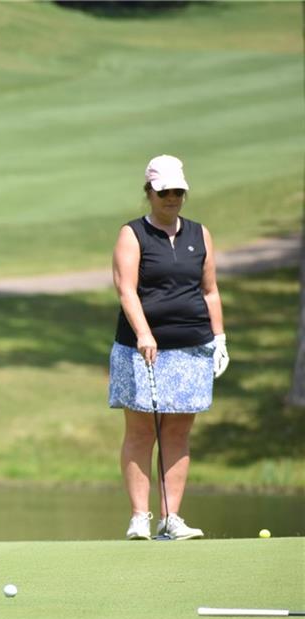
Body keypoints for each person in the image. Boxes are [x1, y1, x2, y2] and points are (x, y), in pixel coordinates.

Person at [110, 154, 229, 541]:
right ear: (149, 192)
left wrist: (219, 338)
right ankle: (139, 517)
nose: (171, 198)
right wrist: (144, 332)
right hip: (140, 348)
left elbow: (209, 291)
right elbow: (126, 289)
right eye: (164, 192)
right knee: (142, 431)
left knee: (178, 432)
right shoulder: (133, 234)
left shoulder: (199, 234)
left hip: (192, 346)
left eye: (178, 191)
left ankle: (171, 519)